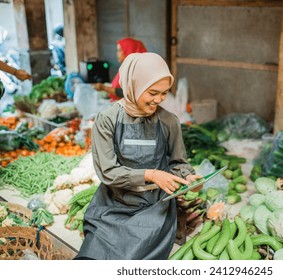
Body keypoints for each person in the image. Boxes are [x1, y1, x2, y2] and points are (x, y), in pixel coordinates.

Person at [75, 52, 203, 260]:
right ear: (134, 85)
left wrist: (189, 178)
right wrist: (152, 174)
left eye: (164, 93)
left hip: (154, 207)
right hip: (113, 204)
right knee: (93, 257)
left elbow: (178, 162)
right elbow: (108, 172)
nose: (159, 100)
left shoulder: (169, 121)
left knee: (134, 257)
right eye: (152, 92)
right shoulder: (107, 120)